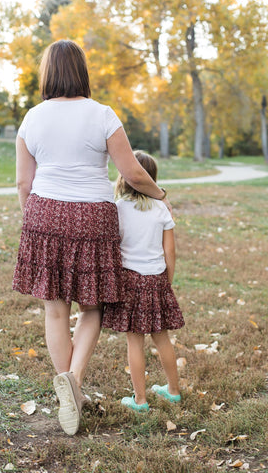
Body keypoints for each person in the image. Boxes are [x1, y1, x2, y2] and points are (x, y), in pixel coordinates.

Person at [12, 40, 170, 435]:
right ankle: (75, 384)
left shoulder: (32, 117)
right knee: (93, 308)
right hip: (92, 217)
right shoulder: (102, 115)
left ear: (48, 72)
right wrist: (161, 195)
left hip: (44, 211)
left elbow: (22, 182)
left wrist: (33, 220)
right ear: (82, 71)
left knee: (54, 309)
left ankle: (70, 388)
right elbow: (132, 173)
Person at [102, 151, 184, 412]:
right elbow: (170, 251)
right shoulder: (161, 209)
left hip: (129, 282)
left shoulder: (118, 209)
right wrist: (166, 283)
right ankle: (173, 391)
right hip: (157, 279)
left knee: (134, 340)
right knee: (162, 338)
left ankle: (140, 400)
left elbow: (113, 247)